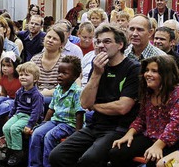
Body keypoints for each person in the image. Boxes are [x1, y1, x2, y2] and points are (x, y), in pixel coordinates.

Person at [49, 25, 140, 167]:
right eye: (98, 42)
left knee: (89, 160)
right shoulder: (97, 65)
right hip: (95, 126)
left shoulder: (133, 68)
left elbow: (122, 107)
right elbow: (85, 103)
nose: (101, 45)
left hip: (118, 129)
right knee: (57, 156)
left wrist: (95, 106)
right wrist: (97, 73)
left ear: (120, 45)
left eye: (107, 41)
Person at [109, 55, 179, 167]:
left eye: (154, 71)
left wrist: (158, 146)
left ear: (166, 74)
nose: (148, 74)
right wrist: (129, 134)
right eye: (147, 70)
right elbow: (141, 118)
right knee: (117, 152)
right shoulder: (148, 91)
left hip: (175, 142)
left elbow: (176, 126)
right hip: (151, 137)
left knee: (153, 159)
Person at [29, 56, 84, 167]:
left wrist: (78, 133)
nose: (60, 75)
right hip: (55, 121)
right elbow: (51, 108)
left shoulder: (77, 92)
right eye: (59, 72)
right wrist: (44, 123)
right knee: (37, 133)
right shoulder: (58, 88)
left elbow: (80, 113)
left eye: (65, 73)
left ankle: (47, 164)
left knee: (49, 136)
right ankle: (34, 164)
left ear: (75, 76)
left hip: (69, 124)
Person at [2, 62, 45, 166]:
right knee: (6, 127)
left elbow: (36, 112)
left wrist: (30, 125)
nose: (23, 77)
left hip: (29, 117)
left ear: (35, 79)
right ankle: (10, 148)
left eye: (27, 75)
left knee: (15, 129)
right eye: (21, 75)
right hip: (18, 115)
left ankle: (17, 152)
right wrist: (11, 117)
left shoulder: (36, 95)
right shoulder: (19, 92)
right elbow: (14, 106)